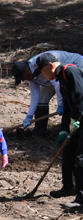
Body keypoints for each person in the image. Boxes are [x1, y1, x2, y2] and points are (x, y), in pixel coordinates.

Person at [34, 53, 83, 208]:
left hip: (81, 119)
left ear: (51, 66)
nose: (42, 75)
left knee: (81, 158)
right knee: (68, 152)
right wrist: (64, 129)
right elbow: (68, 106)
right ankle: (68, 188)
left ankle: (81, 200)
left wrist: (76, 121)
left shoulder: (70, 71)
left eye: (42, 71)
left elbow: (80, 98)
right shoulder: (60, 80)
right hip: (77, 120)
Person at [12, 50, 83, 135]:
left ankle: (76, 123)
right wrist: (29, 116)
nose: (23, 80)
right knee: (42, 99)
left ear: (27, 71)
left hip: (76, 65)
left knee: (74, 98)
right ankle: (40, 130)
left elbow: (58, 84)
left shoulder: (42, 65)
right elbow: (35, 96)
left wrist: (60, 105)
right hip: (56, 77)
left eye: (22, 78)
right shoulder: (32, 74)